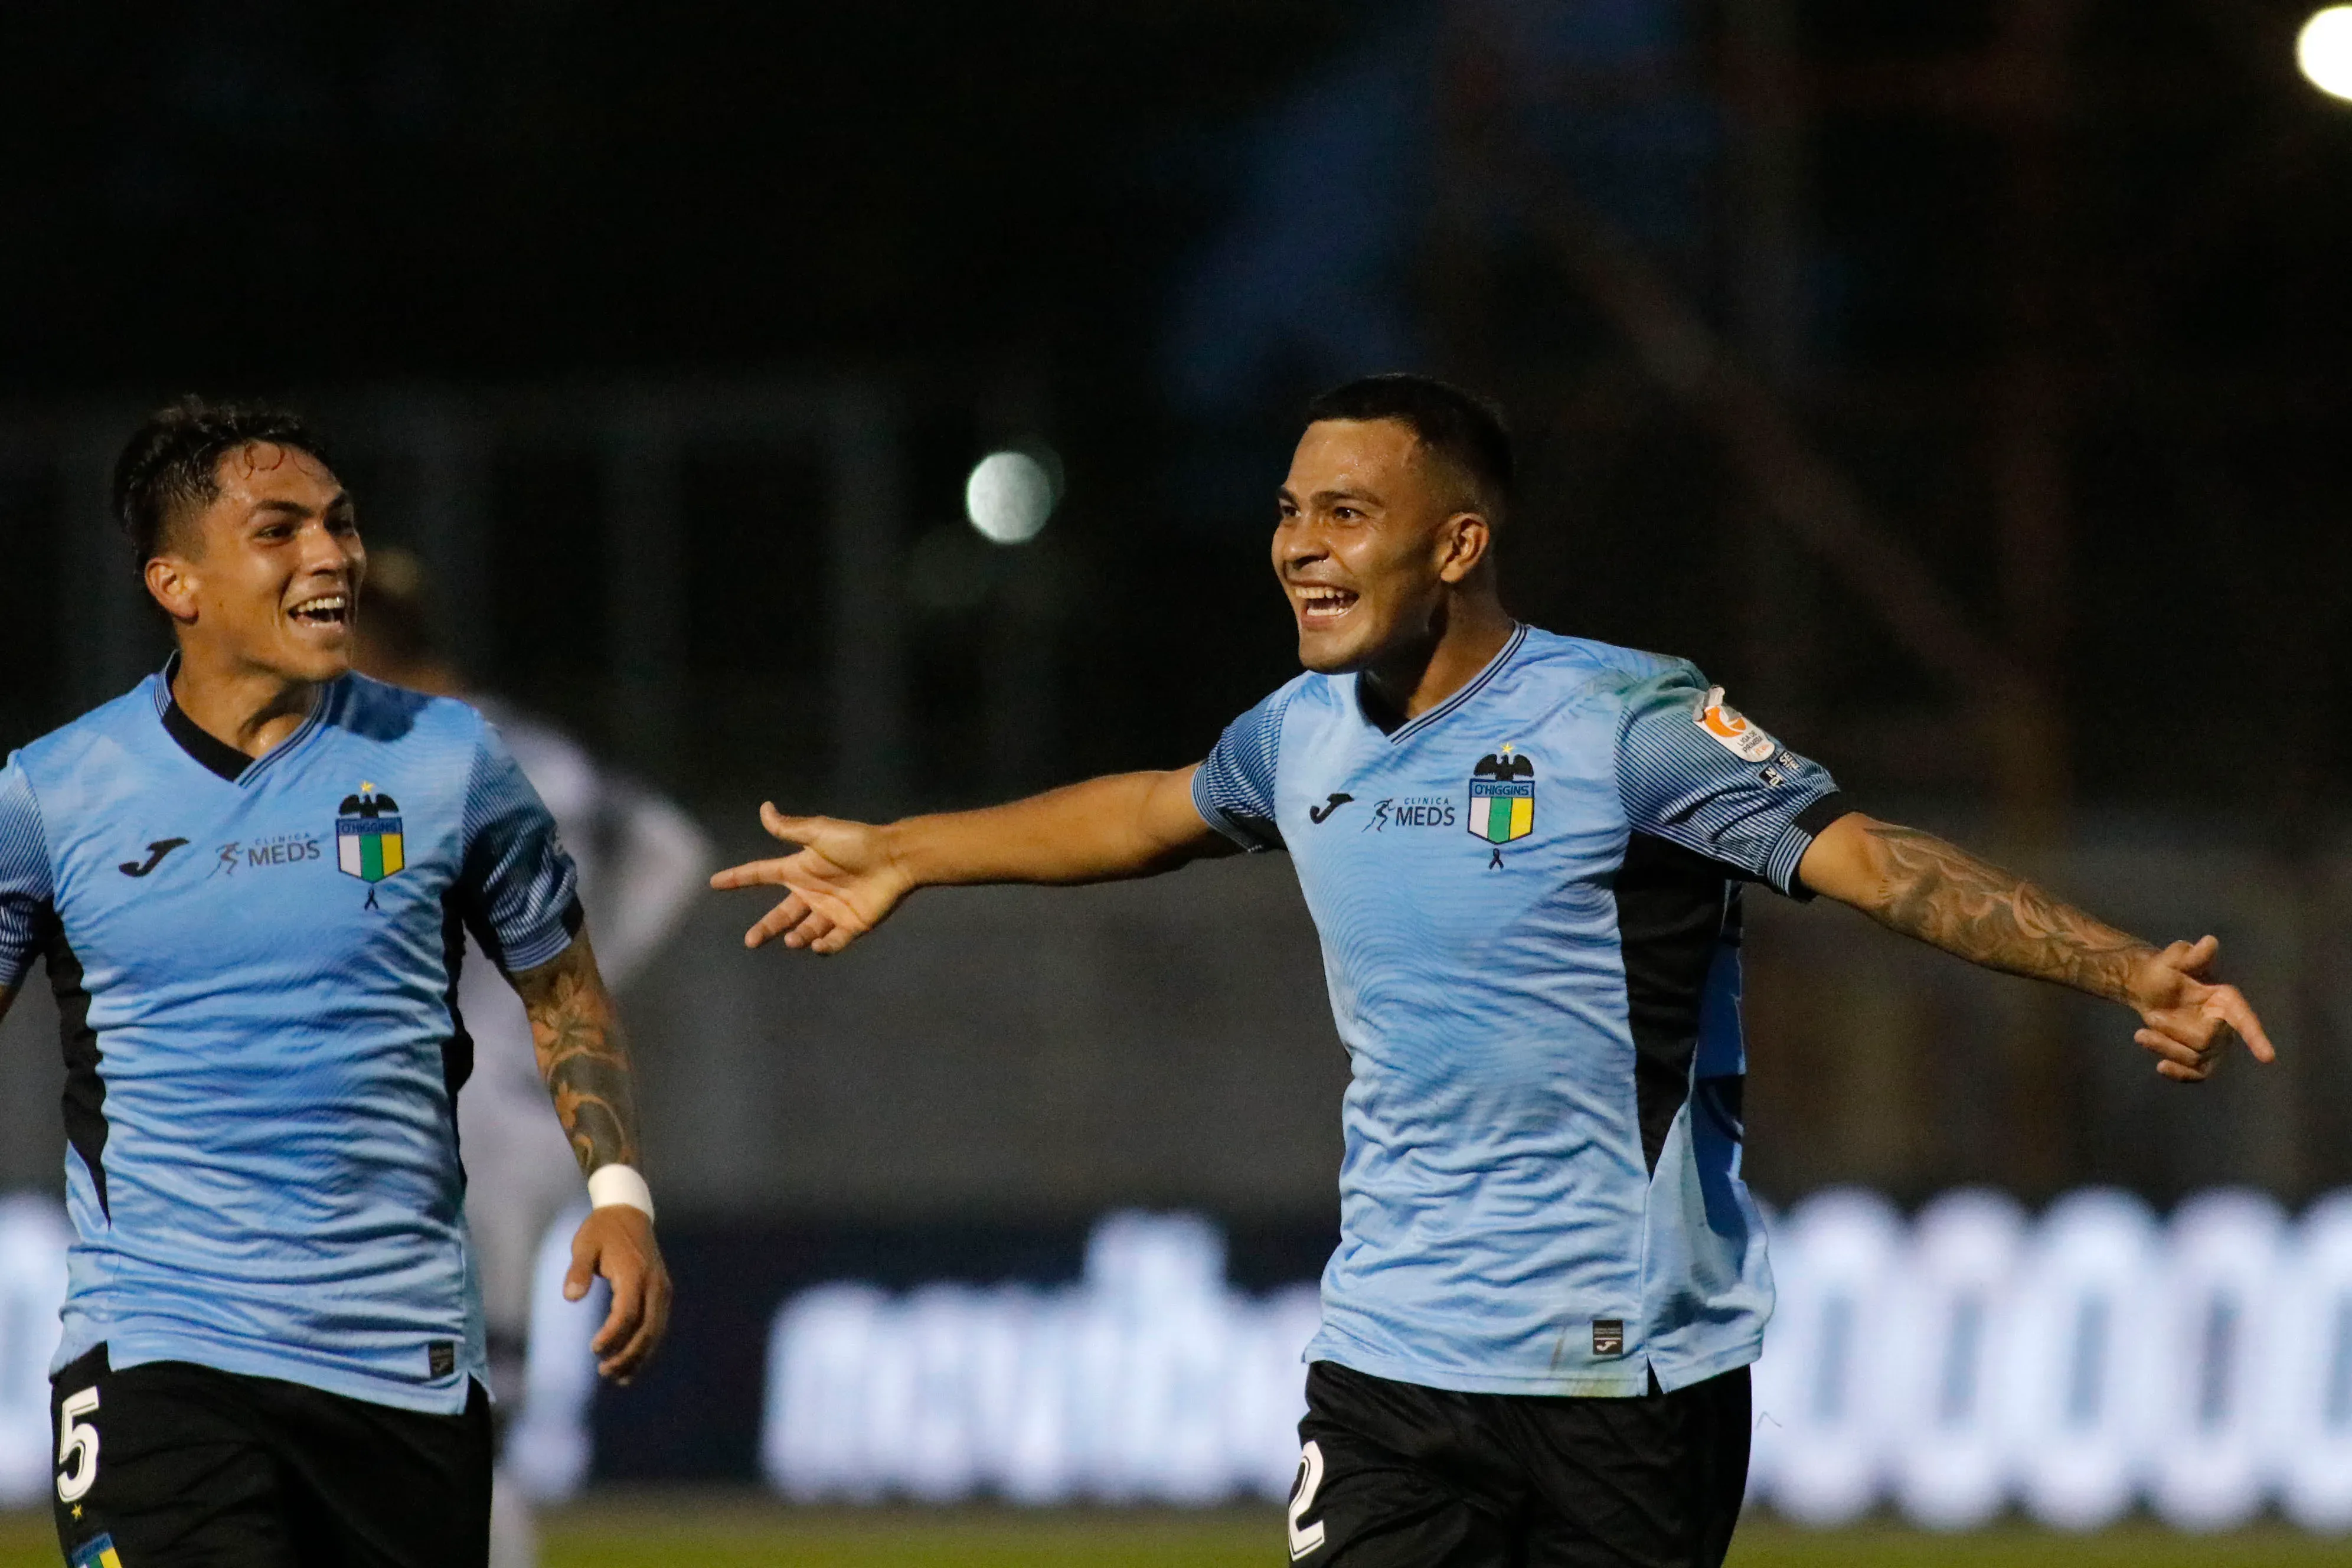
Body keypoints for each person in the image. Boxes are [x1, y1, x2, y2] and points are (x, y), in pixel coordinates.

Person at [713, 373, 2274, 1568]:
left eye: (1345, 515)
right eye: (1287, 510)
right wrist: (914, 850)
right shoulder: (1298, 732)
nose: (1299, 551)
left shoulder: (1631, 724)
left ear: (1456, 542)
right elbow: (1146, 812)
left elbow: (1873, 863)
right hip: (1391, 1358)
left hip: (1627, 1377)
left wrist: (2127, 967)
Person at [0, 399, 672, 1568]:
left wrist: (620, 1191)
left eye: (340, 523)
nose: (332, 555)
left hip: (399, 1371)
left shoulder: (450, 759)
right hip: (159, 1354)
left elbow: (563, 988)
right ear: (180, 581)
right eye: (281, 529)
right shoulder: (54, 791)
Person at [354, 547, 713, 1568]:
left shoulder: (416, 756)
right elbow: (672, 848)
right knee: (457, 1393)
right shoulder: (534, 748)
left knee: (439, 1406)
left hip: (460, 1109)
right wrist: (587, 976)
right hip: (525, 1096)